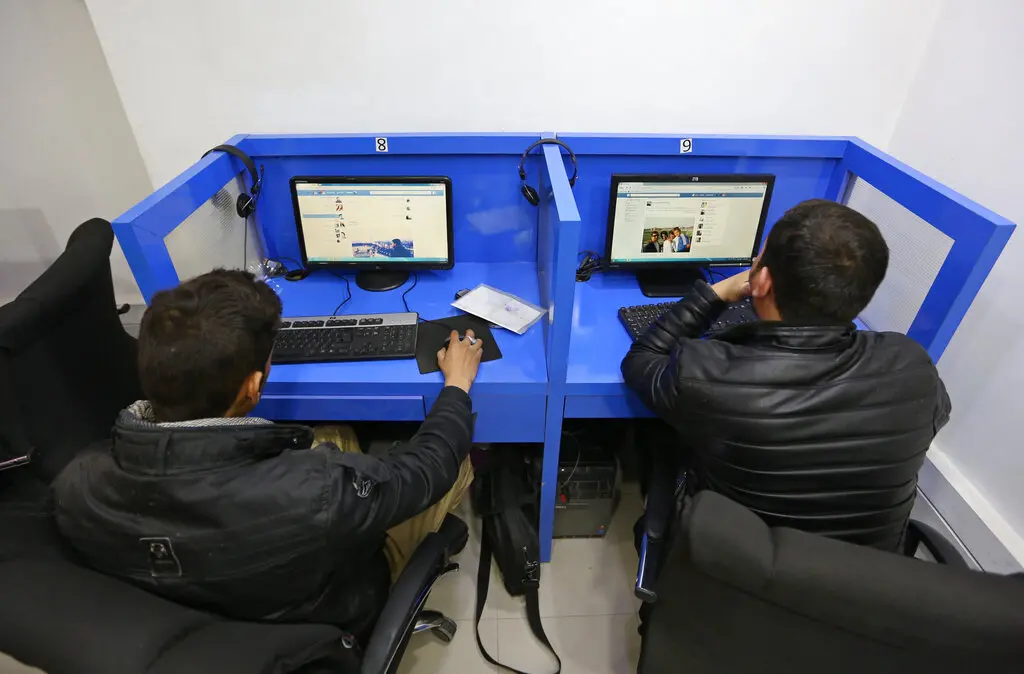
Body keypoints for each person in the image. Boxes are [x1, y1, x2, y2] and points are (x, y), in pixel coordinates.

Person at [53, 269, 482, 641]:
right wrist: (457, 385)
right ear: (252, 388)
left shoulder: (77, 484)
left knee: (331, 432)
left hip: (202, 612)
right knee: (457, 462)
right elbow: (430, 465)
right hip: (325, 615)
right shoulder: (320, 490)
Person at [622, 199, 950, 552]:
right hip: (863, 585)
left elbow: (642, 359)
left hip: (730, 568)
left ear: (761, 280)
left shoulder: (709, 374)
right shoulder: (915, 369)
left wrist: (715, 294)